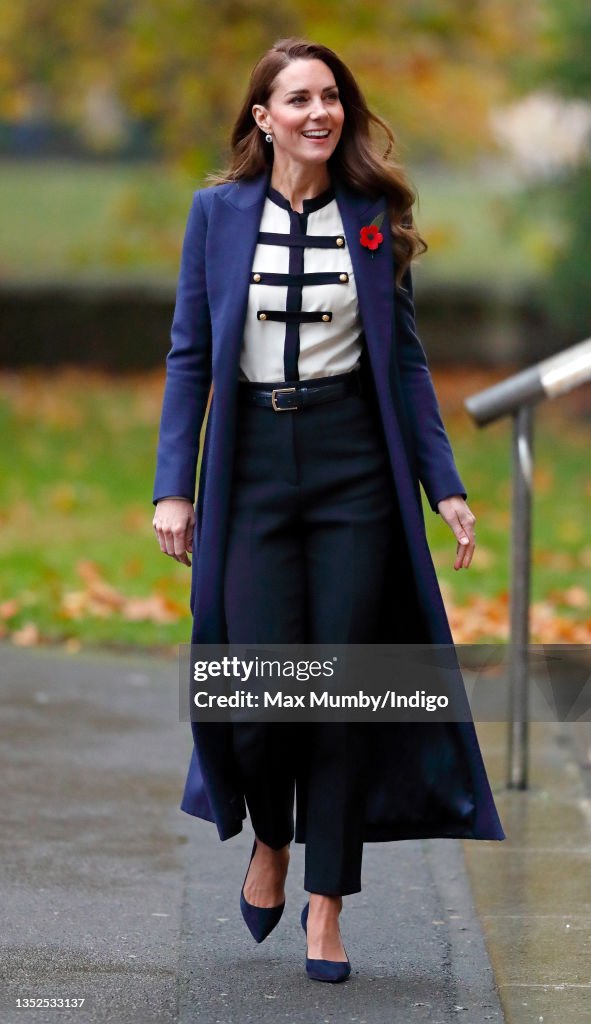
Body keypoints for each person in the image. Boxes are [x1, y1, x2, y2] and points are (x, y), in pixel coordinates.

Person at [152, 37, 505, 984]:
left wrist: (446, 487)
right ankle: (271, 837)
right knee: (265, 694)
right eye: (299, 99)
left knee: (342, 696)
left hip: (355, 470)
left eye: (332, 98)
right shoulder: (215, 215)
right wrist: (172, 487)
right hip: (253, 469)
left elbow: (406, 362)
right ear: (262, 118)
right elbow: (192, 355)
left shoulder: (375, 216)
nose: (320, 112)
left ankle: (326, 904)